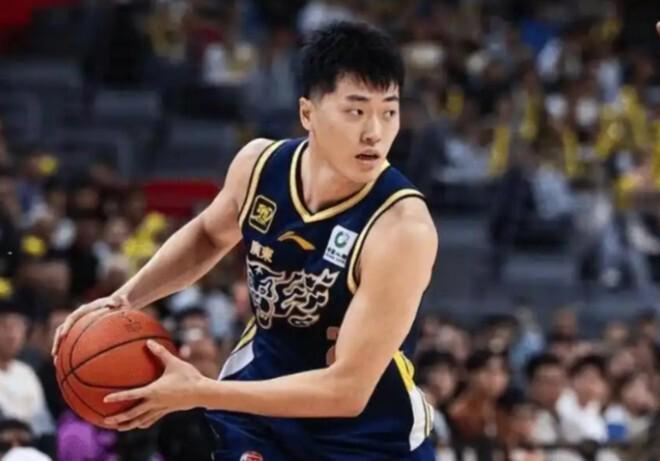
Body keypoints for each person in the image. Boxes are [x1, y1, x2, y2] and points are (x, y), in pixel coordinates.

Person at [53, 21, 438, 460]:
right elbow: (207, 234)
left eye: (389, 112)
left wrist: (199, 390)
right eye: (356, 111)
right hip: (258, 413)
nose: (375, 132)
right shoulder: (259, 165)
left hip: (365, 438)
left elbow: (347, 390)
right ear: (308, 113)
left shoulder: (403, 229)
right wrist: (124, 299)